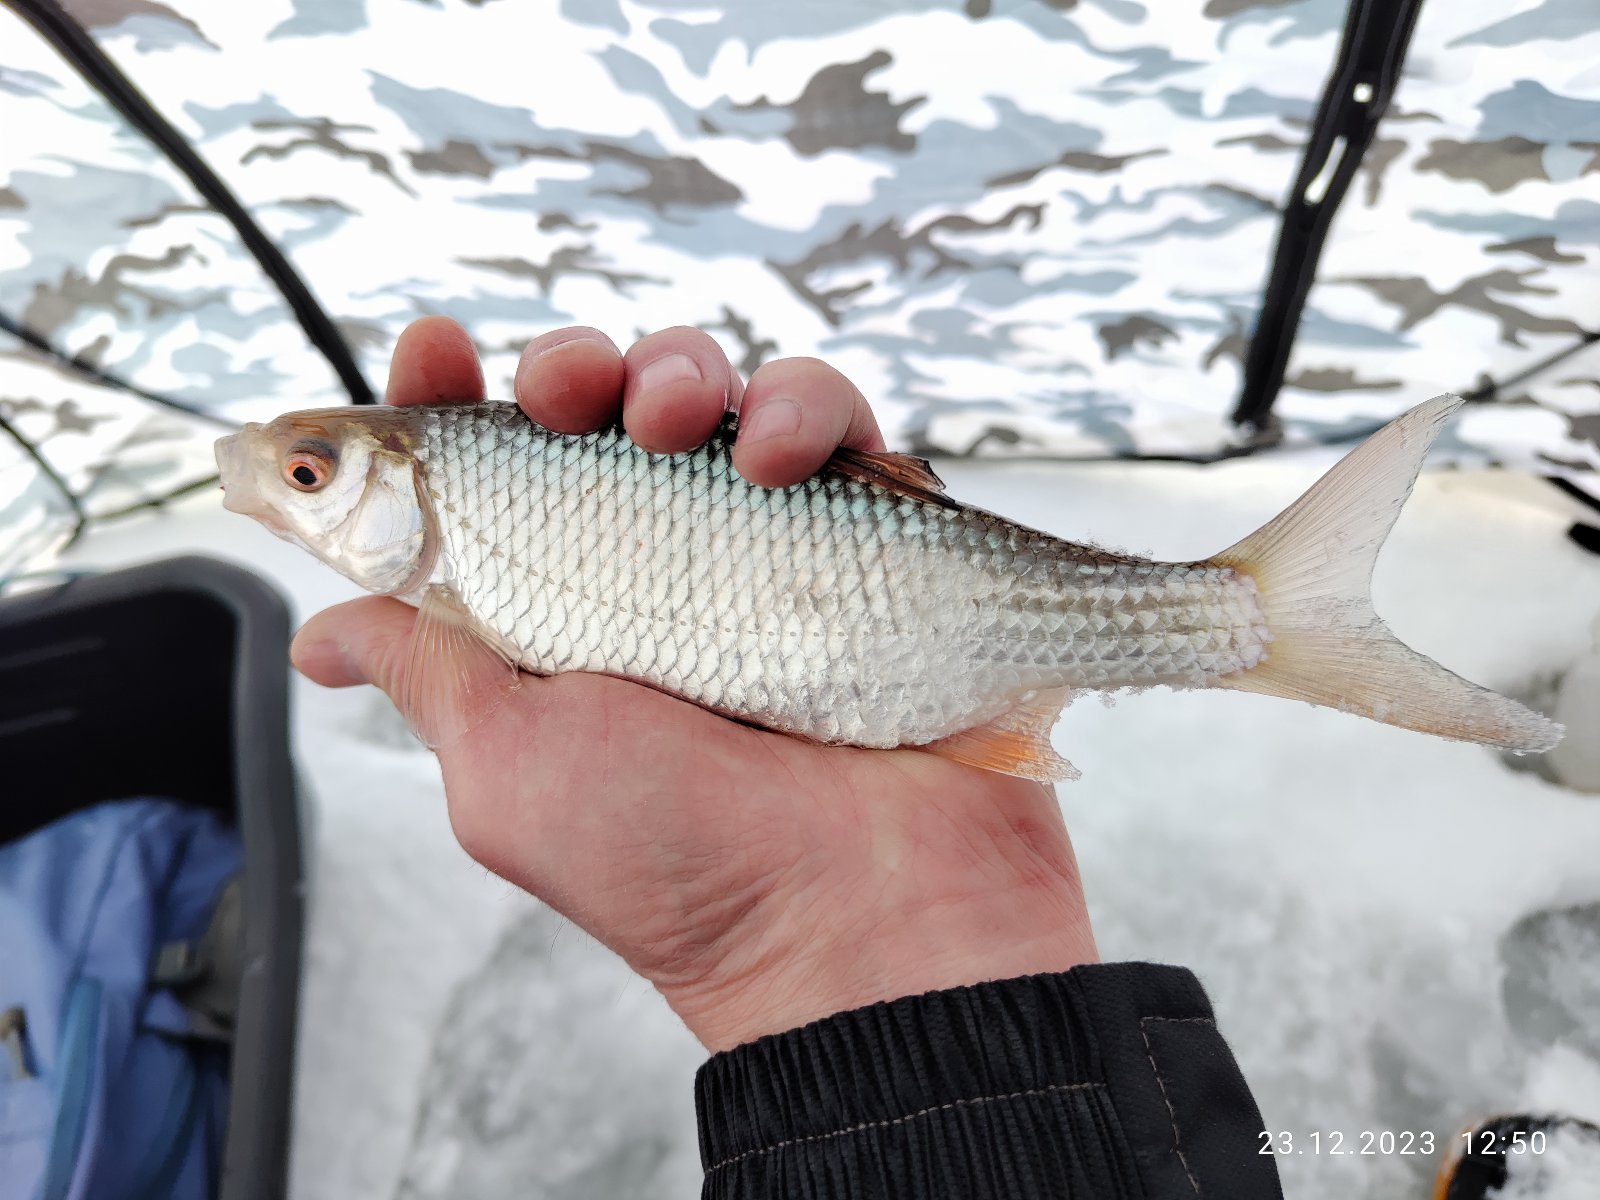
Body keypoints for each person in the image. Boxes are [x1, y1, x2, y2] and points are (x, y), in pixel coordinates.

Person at [289, 316, 1285, 1199]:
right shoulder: (447, 613)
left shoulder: (453, 568)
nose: (290, 491)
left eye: (308, 477)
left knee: (729, 440)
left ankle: (1246, 618)